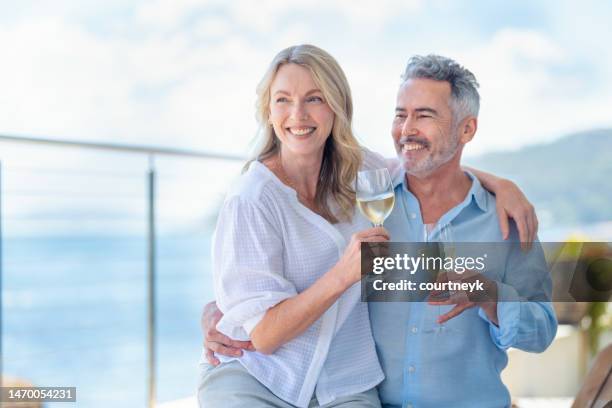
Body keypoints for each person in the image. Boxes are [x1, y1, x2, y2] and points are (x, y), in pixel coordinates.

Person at [199, 45, 540, 408]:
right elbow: (264, 335)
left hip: (344, 383)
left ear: (336, 106)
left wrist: (502, 185)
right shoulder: (252, 197)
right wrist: (344, 273)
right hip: (261, 374)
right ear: (268, 109)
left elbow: (429, 168)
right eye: (282, 100)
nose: (297, 114)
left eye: (314, 98)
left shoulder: (363, 174)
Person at [368, 55, 557, 407]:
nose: (406, 128)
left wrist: (490, 296)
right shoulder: (369, 205)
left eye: (424, 115)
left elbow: (543, 330)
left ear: (466, 129)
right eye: (400, 114)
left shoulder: (506, 222)